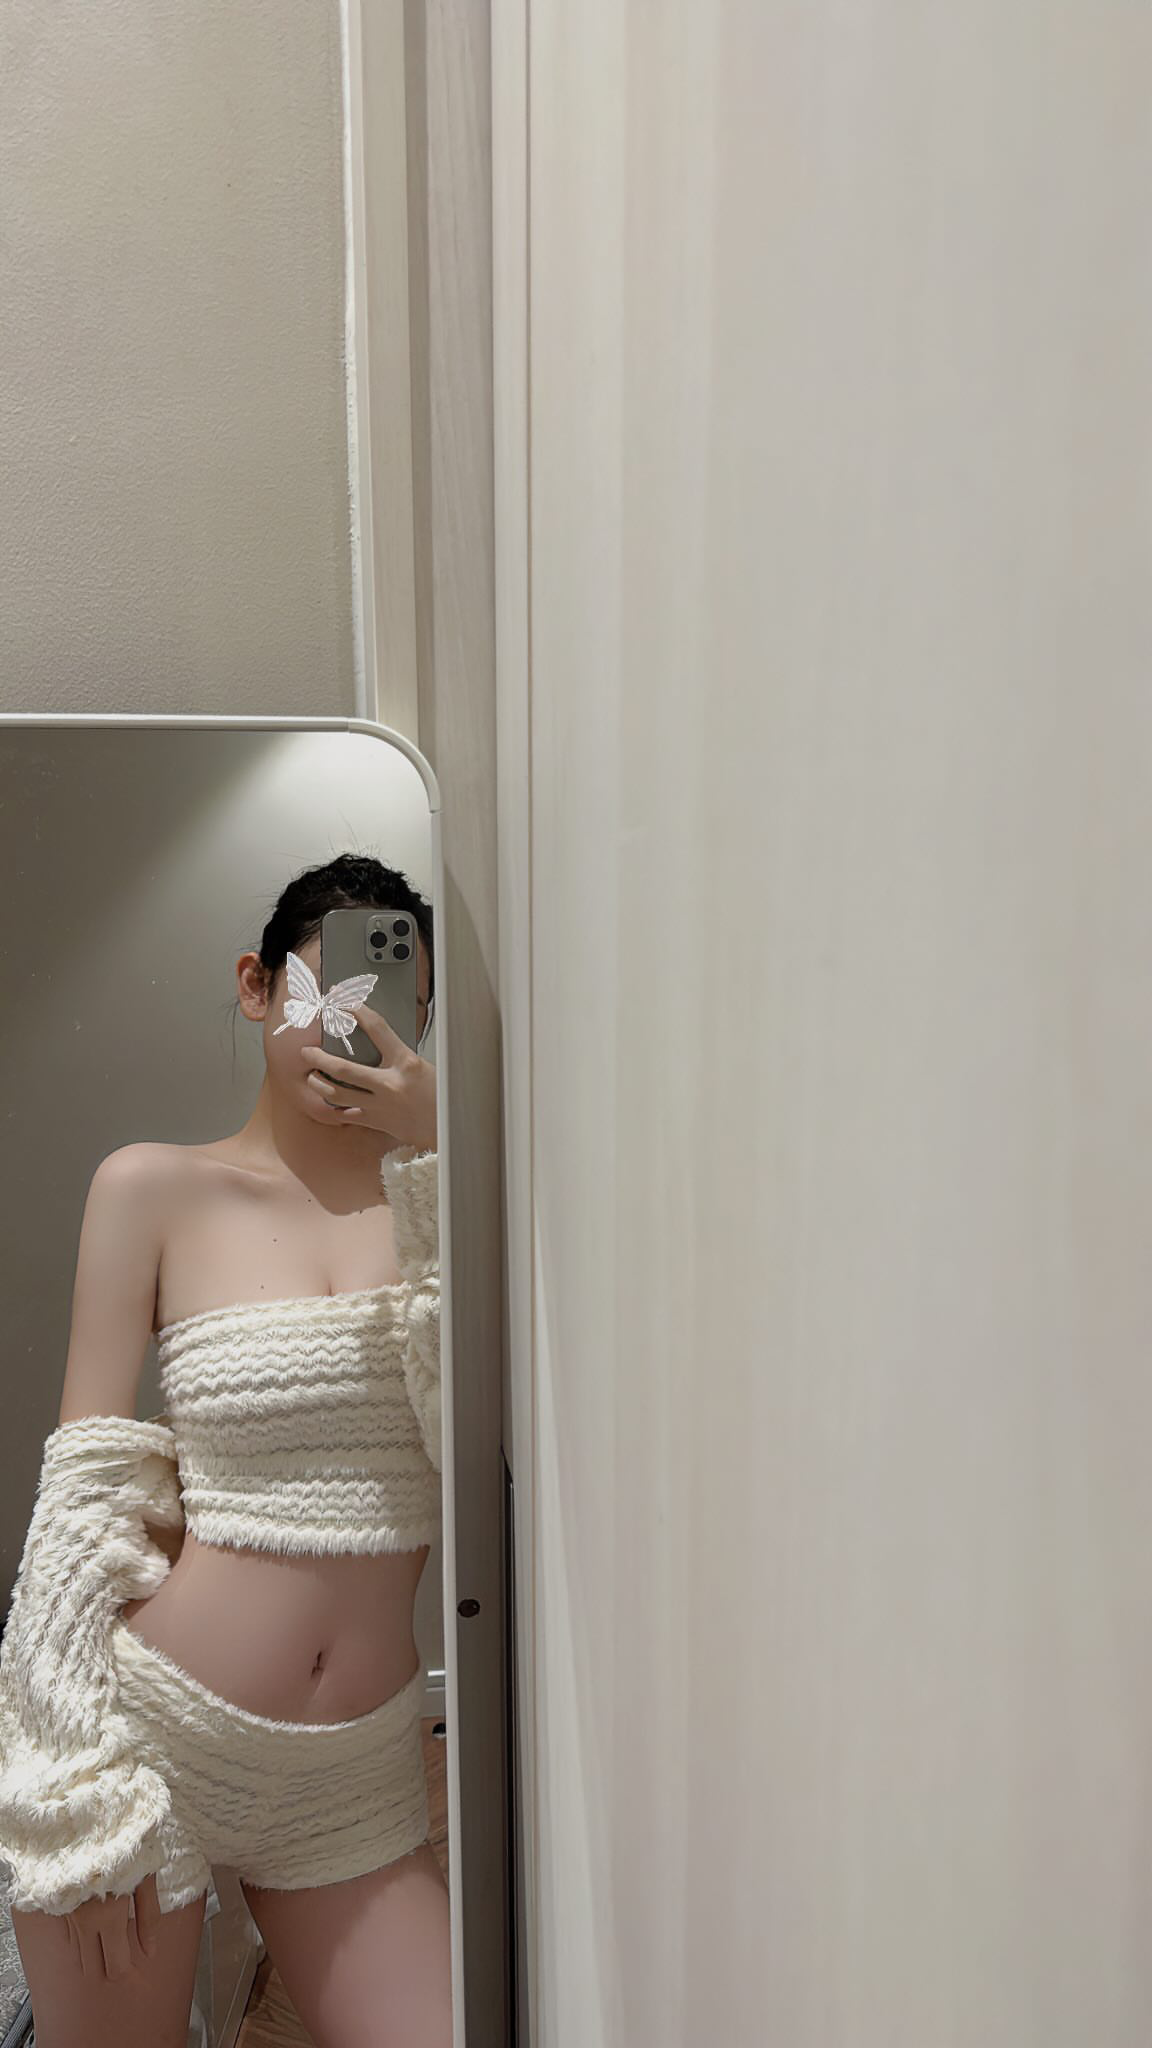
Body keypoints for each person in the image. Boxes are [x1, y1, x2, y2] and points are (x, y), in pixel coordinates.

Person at [0, 853, 452, 2048]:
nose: (357, 1021)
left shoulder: (447, 1210)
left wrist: (440, 1159)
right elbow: (86, 1491)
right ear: (257, 986)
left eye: (397, 1001)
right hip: (157, 1743)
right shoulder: (153, 1188)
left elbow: (469, 1424)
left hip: (356, 1776)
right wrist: (74, 1773)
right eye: (330, 984)